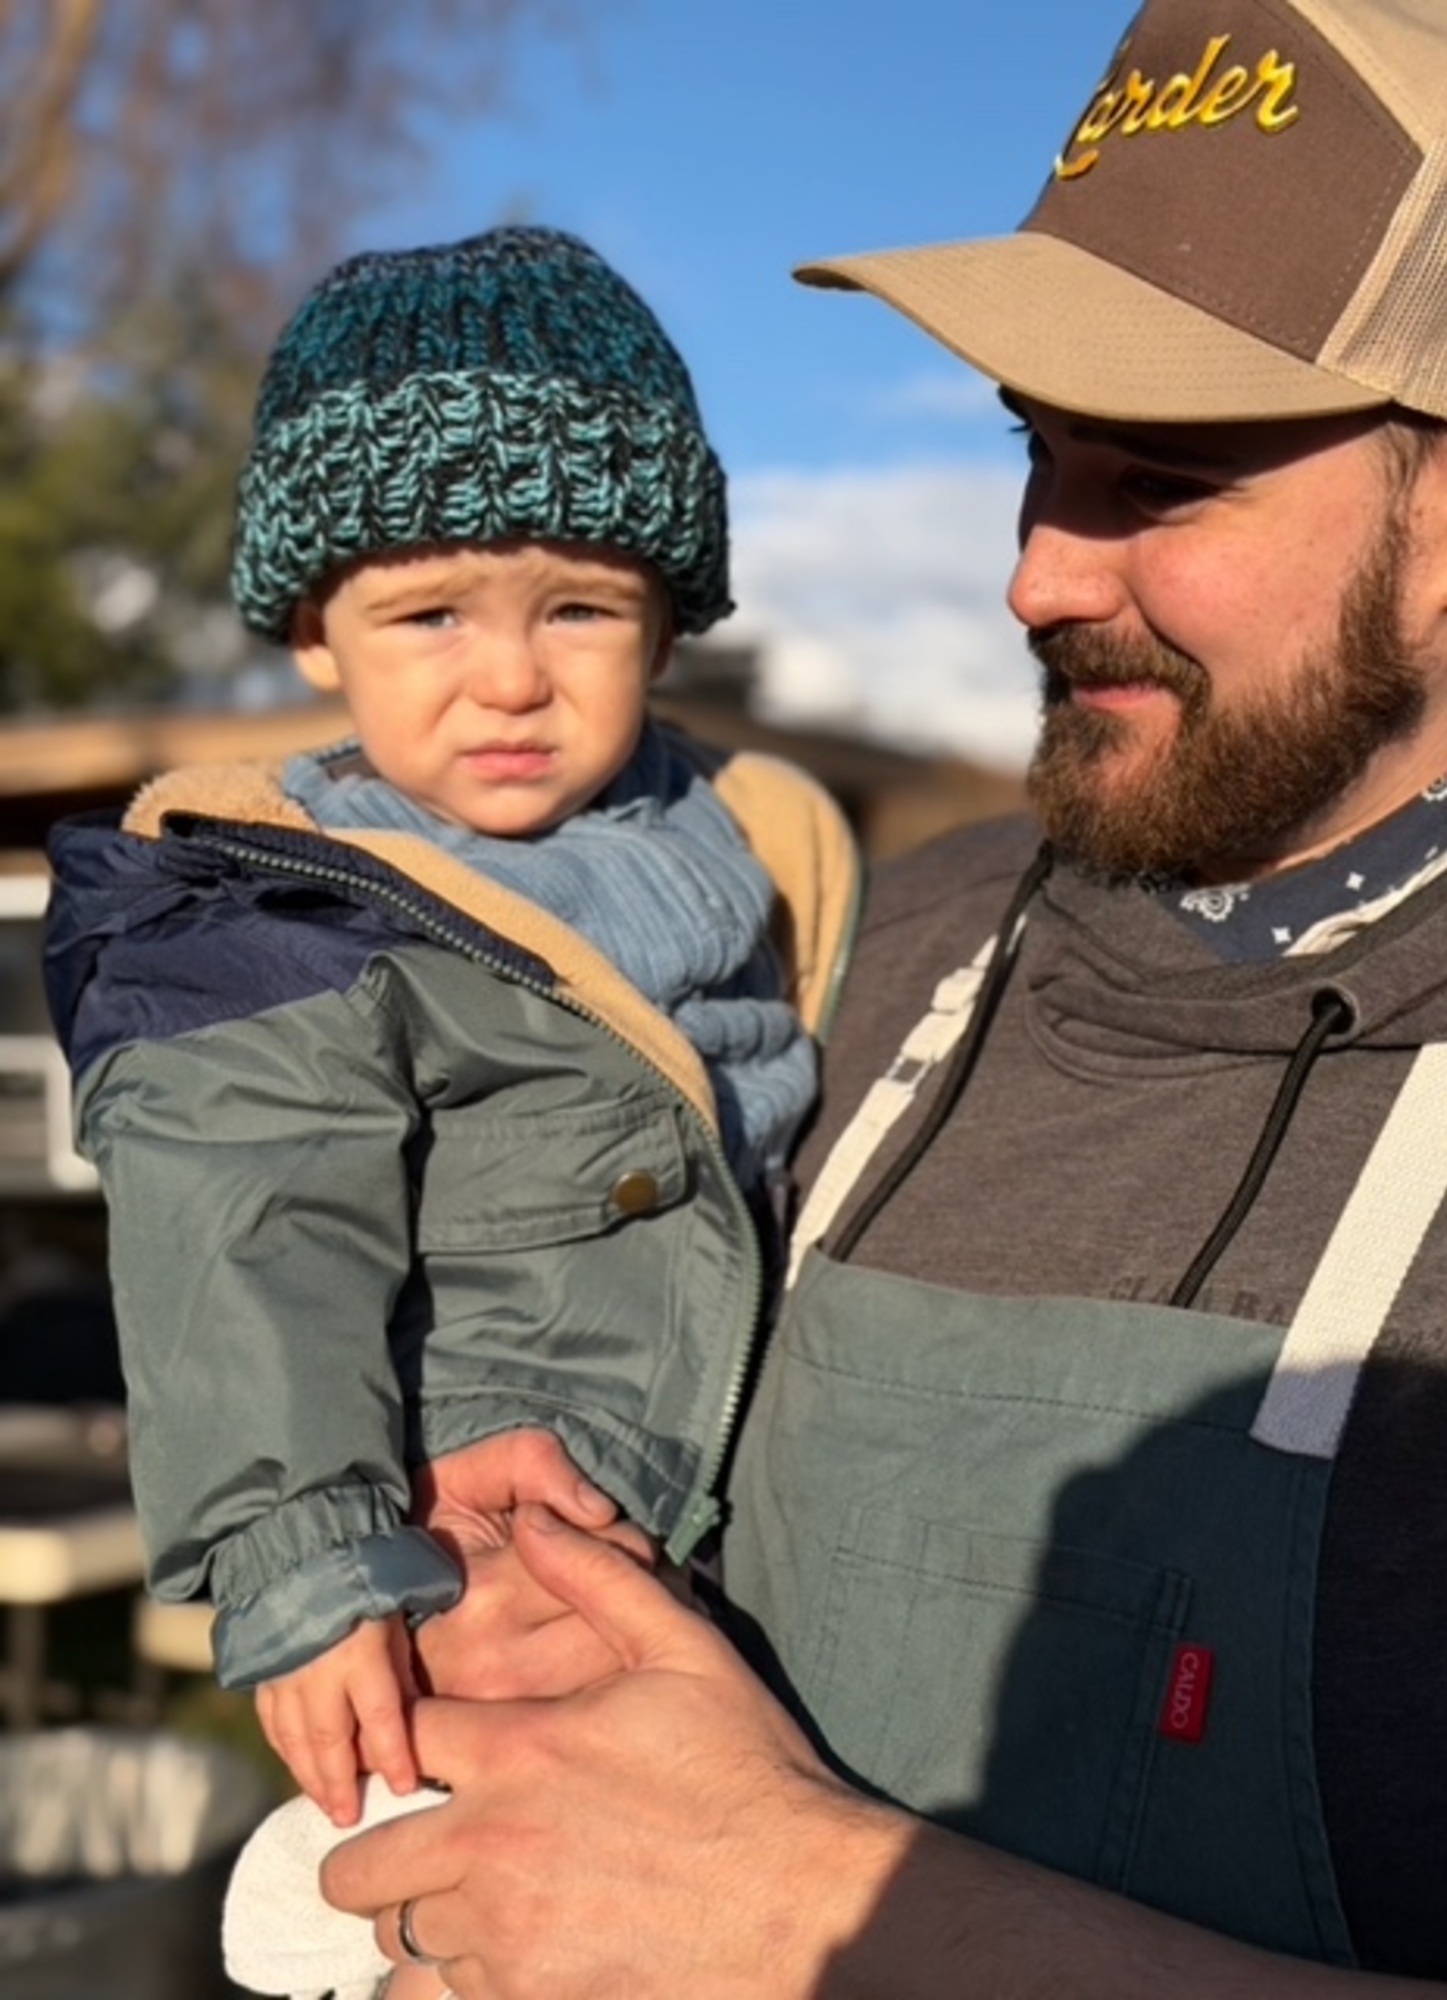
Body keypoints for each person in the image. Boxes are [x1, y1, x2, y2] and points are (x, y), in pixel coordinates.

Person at [313, 0, 1447, 1992]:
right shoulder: (862, 947)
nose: (1037, 572)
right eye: (1040, 452)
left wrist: (797, 1910)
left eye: (1162, 477)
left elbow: (734, 1882)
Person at [43, 224, 858, 1861]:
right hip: (458, 1527)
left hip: (728, 1492)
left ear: (671, 623)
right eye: (428, 617)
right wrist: (315, 1563)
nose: (510, 680)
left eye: (579, 609)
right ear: (313, 636)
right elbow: (247, 1231)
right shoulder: (274, 908)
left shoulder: (753, 836)